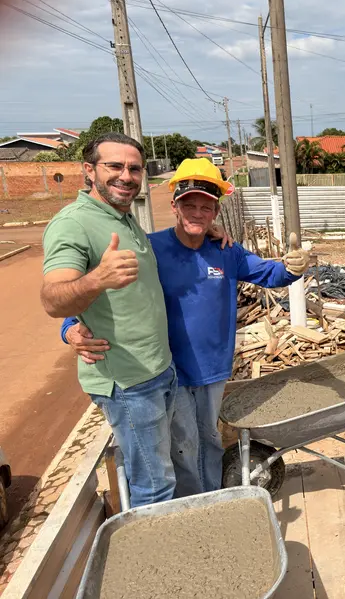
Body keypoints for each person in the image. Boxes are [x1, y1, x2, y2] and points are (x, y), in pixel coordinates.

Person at [61, 157, 309, 496]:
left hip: (213, 368)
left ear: (215, 212)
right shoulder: (151, 248)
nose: (196, 213)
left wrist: (292, 268)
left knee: (207, 438)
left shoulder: (225, 252)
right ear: (175, 207)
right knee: (180, 444)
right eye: (188, 205)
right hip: (168, 369)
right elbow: (103, 292)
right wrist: (69, 326)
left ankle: (210, 498)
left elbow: (269, 274)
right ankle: (188, 503)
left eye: (205, 207)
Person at [40, 133, 177, 507]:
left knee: (160, 472)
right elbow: (53, 298)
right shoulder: (73, 224)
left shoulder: (124, 218)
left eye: (134, 168)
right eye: (114, 166)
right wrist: (97, 279)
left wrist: (209, 231)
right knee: (154, 483)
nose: (126, 176)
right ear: (89, 170)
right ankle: (161, 563)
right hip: (128, 384)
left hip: (158, 369)